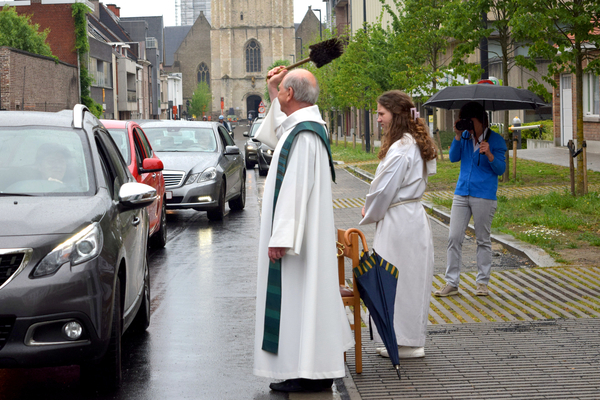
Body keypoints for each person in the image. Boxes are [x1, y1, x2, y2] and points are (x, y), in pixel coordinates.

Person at [253, 65, 353, 393]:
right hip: (304, 238)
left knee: (299, 300)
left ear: (291, 94)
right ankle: (308, 368)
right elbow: (275, 132)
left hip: (298, 243)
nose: (278, 94)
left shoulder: (306, 133)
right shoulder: (303, 127)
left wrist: (280, 237)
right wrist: (272, 89)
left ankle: (308, 372)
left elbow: (294, 187)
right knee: (304, 302)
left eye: (281, 90)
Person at [359, 90, 437, 359]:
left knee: (398, 281)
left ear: (396, 115)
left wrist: (369, 210)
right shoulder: (413, 142)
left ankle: (408, 341)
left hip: (400, 222)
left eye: (381, 114)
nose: (378, 118)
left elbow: (383, 190)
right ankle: (404, 338)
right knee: (409, 279)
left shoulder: (402, 149)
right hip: (409, 217)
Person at [434, 101, 507, 298]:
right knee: (453, 237)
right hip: (461, 193)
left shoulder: (497, 140)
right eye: (464, 121)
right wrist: (457, 136)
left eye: (470, 121)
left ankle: (482, 283)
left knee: (482, 239)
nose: (467, 125)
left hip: (484, 195)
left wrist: (489, 153)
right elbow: (452, 158)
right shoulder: (464, 137)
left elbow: (501, 169)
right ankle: (452, 283)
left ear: (481, 121)